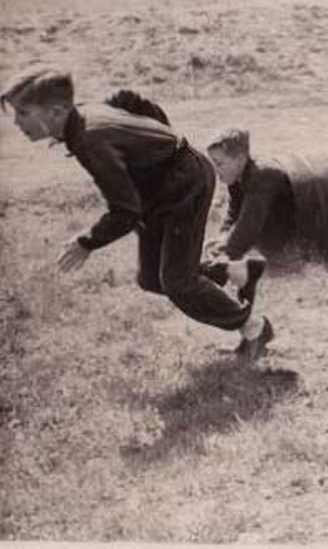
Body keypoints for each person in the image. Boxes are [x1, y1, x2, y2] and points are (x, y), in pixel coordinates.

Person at [1, 71, 273, 360]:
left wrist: (87, 242)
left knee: (179, 284)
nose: (16, 122)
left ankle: (254, 327)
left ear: (55, 113)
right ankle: (237, 272)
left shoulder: (89, 140)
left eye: (23, 113)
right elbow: (126, 97)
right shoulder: (85, 114)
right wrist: (163, 142)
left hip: (185, 187)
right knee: (152, 278)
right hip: (162, 189)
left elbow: (125, 211)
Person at [204, 127, 296, 260]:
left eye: (219, 164)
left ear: (240, 160)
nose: (215, 171)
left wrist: (223, 255)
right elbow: (233, 214)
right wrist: (222, 238)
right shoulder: (235, 180)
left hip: (307, 216)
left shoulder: (261, 176)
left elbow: (249, 228)